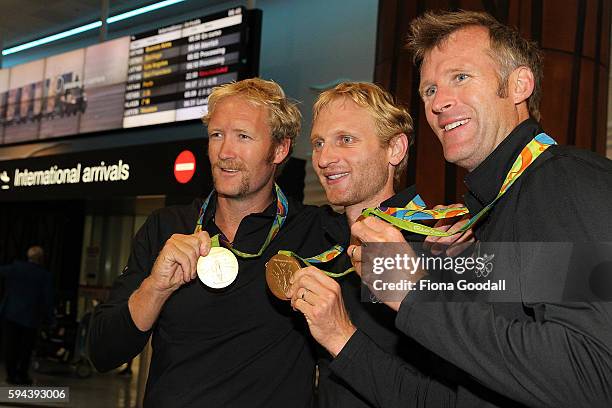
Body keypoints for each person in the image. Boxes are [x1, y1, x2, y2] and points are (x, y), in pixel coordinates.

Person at [336, 10, 612, 408]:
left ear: (519, 85)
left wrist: (417, 292)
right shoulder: (492, 209)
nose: (439, 103)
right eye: (428, 91)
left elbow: (594, 374)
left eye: (460, 77)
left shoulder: (562, 181)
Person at [87, 78, 347, 407]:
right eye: (216, 135)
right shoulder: (166, 227)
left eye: (242, 136)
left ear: (279, 149)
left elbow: (388, 237)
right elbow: (103, 352)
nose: (225, 152)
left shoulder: (316, 232)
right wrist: (156, 288)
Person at [286, 82, 471, 407]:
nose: (324, 158)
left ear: (395, 150)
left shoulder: (441, 243)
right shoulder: (324, 237)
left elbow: (448, 400)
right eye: (318, 143)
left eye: (346, 140)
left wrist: (339, 336)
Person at [0, 246, 54, 385]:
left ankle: (11, 375)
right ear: (41, 259)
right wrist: (50, 318)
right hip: (30, 317)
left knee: (10, 345)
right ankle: (22, 374)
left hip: (11, 314)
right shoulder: (44, 275)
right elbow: (47, 300)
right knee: (26, 348)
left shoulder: (16, 268)